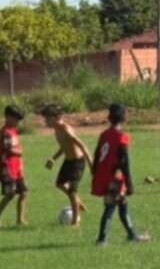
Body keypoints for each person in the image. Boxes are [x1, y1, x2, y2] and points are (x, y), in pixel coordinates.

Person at [91, 104, 150, 245]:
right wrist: (129, 183)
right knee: (110, 207)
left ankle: (132, 234)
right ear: (124, 118)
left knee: (122, 204)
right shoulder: (122, 137)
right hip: (115, 177)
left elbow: (97, 155)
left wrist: (95, 173)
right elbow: (124, 162)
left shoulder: (104, 135)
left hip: (104, 175)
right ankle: (102, 239)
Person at [41, 104, 93, 226]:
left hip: (77, 162)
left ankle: (75, 222)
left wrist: (92, 166)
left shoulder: (66, 129)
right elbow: (64, 146)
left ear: (57, 117)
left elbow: (83, 146)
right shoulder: (57, 129)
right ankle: (79, 204)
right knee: (59, 184)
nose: (45, 121)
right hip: (68, 161)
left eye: (47, 118)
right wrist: (54, 158)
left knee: (72, 192)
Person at [0, 105, 28, 226]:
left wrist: (20, 164)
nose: (18, 122)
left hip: (16, 167)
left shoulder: (13, 131)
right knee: (10, 194)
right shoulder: (6, 132)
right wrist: (19, 152)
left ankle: (20, 219)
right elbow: (8, 149)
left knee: (23, 193)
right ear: (8, 117)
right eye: (16, 119)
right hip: (8, 167)